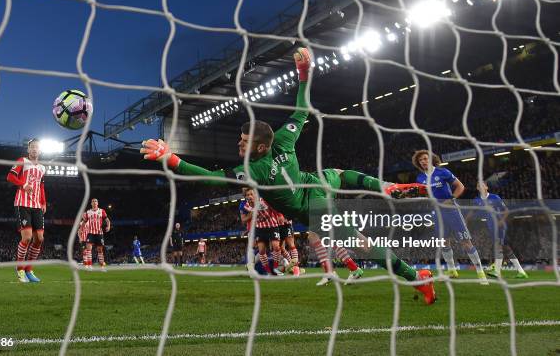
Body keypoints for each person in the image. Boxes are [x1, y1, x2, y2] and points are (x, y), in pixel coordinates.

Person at [141, 48, 435, 304]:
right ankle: (384, 186)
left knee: (361, 242)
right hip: (314, 182)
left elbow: (210, 178)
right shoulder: (283, 138)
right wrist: (304, 74)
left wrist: (173, 159)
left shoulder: (253, 170)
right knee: (340, 174)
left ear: (258, 146)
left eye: (243, 141)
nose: (238, 144)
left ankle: (414, 277)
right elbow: (302, 108)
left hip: (311, 207)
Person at [412, 150, 487, 285]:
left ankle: (480, 272)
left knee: (465, 241)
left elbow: (460, 186)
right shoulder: (420, 178)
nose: (423, 161)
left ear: (430, 159)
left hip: (451, 210)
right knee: (444, 242)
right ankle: (452, 270)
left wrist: (452, 198)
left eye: (425, 158)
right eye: (420, 160)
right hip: (436, 213)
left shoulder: (442, 172)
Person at [7, 138, 46, 283]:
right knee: (27, 237)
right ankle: (20, 269)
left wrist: (43, 202)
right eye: (32, 147)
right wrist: (23, 185)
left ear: (40, 151)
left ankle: (29, 269)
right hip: (22, 204)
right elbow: (10, 176)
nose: (34, 149)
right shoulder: (22, 161)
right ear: (28, 150)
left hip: (37, 206)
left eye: (37, 147)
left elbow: (41, 187)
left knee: (39, 239)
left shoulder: (42, 168)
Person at [471, 181, 528, 279]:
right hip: (491, 227)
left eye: (482, 184)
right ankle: (521, 272)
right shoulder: (477, 200)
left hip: (500, 226)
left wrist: (501, 221)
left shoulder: (495, 198)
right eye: (478, 185)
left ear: (486, 187)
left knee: (498, 246)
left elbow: (506, 211)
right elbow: (475, 212)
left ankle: (497, 271)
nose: (480, 186)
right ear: (477, 188)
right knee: (507, 249)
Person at [82, 198, 111, 271]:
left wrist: (108, 226)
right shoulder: (88, 212)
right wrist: (82, 229)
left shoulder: (101, 211)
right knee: (88, 248)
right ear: (91, 203)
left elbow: (107, 220)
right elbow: (84, 221)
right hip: (90, 232)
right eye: (93, 201)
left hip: (99, 233)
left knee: (100, 250)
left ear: (97, 203)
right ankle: (89, 266)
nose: (94, 202)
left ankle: (102, 266)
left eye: (96, 201)